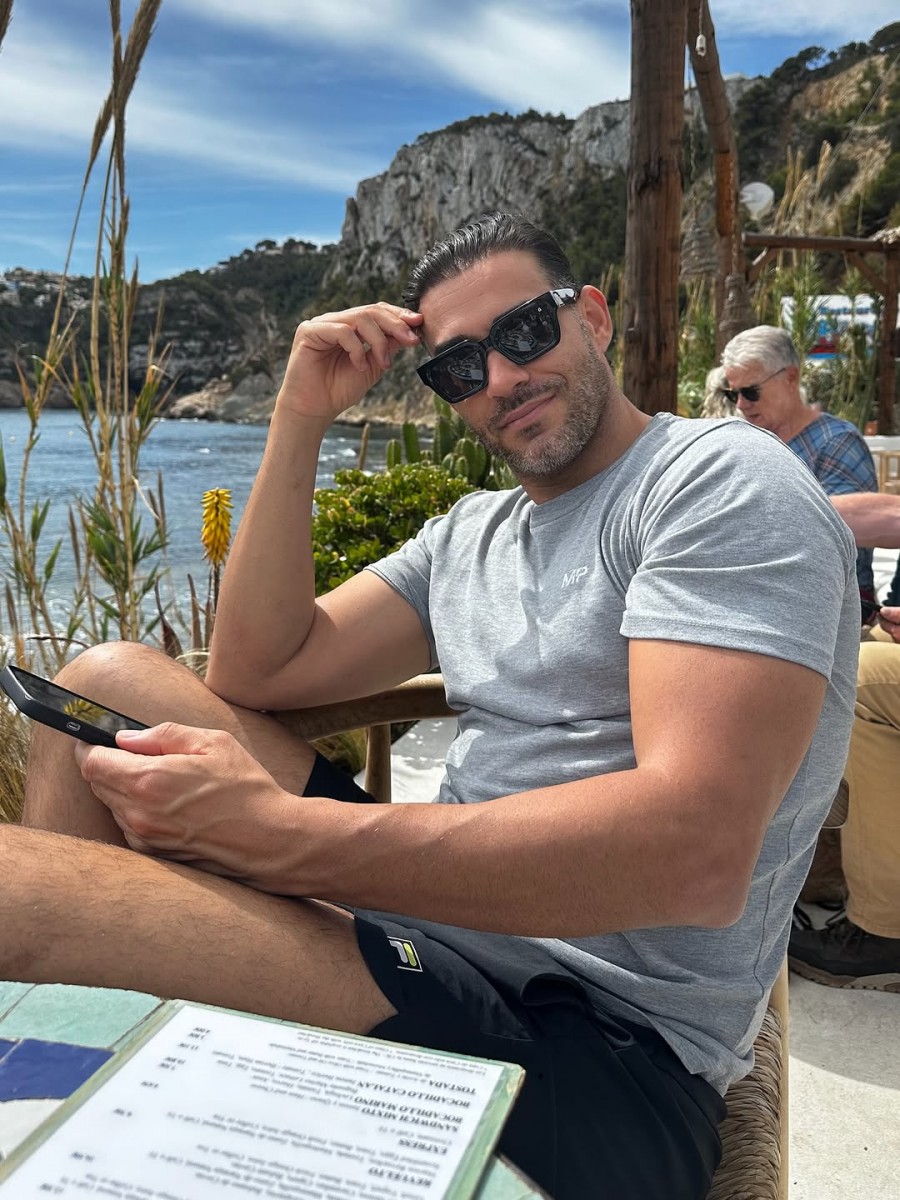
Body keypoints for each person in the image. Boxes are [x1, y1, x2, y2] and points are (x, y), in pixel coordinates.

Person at [2, 215, 861, 1200]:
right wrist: (300, 414)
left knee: (15, 893)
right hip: (428, 935)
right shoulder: (472, 536)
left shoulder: (715, 481)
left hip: (595, 1042)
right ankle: (75, 1082)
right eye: (457, 367)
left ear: (592, 317)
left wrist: (273, 836)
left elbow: (696, 856)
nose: (498, 377)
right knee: (103, 681)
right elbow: (258, 669)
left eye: (524, 332)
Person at [720, 325, 879, 615]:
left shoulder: (836, 442)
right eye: (733, 395)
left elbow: (838, 535)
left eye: (751, 392)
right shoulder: (745, 442)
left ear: (790, 378)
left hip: (827, 611)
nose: (741, 404)